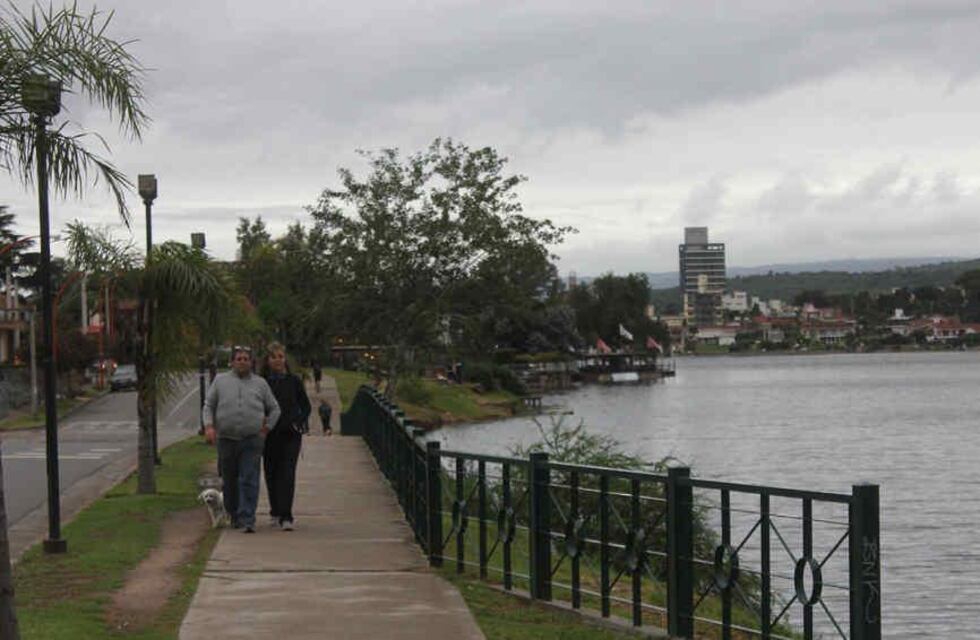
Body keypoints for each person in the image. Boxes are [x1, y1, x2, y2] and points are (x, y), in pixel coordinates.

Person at [204, 346, 280, 534]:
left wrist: (267, 427)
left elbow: (275, 408)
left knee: (249, 478)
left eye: (246, 359)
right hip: (226, 439)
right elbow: (209, 405)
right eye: (239, 359)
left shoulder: (260, 383)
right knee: (229, 480)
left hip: (252, 440)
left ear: (251, 362)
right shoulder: (220, 381)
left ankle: (248, 519)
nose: (242, 362)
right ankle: (234, 515)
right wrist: (209, 426)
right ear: (232, 362)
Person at [261, 342, 311, 531]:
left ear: (285, 359)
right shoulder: (262, 382)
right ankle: (275, 510)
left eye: (280, 356)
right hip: (269, 435)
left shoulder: (294, 381)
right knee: (271, 473)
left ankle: (286, 515)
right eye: (273, 357)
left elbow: (305, 405)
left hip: (290, 434)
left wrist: (298, 421)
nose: (277, 360)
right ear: (268, 360)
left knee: (288, 474)